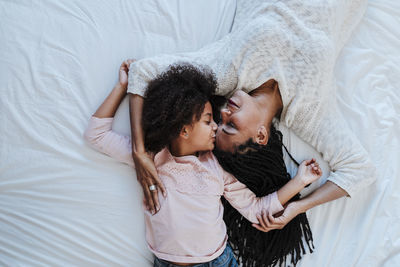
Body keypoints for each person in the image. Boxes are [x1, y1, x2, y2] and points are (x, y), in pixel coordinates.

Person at [125, 0, 376, 266]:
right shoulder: (308, 112)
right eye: (230, 126)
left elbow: (142, 72)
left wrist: (140, 151)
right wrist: (295, 208)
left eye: (218, 120)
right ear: (260, 136)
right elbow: (360, 171)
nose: (224, 113)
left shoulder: (226, 74)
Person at [84, 61, 322, 266]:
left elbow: (256, 209)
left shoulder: (216, 169)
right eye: (208, 121)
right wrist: (122, 87)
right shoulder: (150, 158)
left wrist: (299, 181)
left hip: (218, 260)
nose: (216, 127)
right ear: (183, 130)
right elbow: (96, 135)